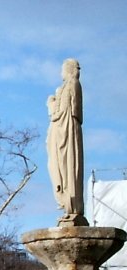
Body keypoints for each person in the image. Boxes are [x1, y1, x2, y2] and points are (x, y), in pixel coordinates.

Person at [47, 58, 85, 224]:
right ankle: (70, 202)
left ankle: (71, 203)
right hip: (65, 130)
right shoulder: (71, 86)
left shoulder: (71, 85)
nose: (60, 72)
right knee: (63, 167)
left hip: (65, 131)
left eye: (63, 69)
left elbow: (61, 113)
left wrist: (51, 104)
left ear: (68, 70)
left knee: (66, 166)